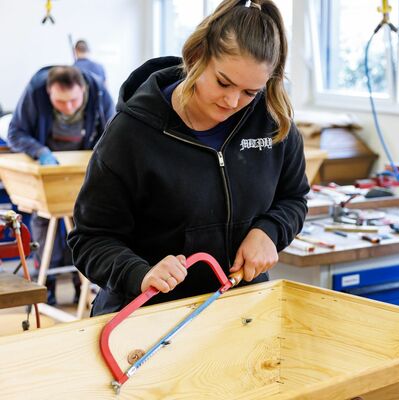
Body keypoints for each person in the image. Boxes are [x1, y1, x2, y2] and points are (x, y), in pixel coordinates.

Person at [67, 0, 308, 316]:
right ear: (197, 56)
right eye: (223, 82)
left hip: (236, 313)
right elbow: (90, 240)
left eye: (251, 92)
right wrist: (139, 274)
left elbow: (294, 198)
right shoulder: (131, 133)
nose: (233, 101)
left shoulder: (273, 122)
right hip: (147, 318)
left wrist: (269, 231)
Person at [7, 65, 113, 305]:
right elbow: (15, 133)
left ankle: (83, 285)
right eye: (60, 102)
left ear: (83, 90)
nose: (68, 107)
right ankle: (47, 288)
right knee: (44, 225)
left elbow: (114, 130)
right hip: (49, 172)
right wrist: (40, 151)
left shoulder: (97, 92)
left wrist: (99, 156)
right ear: (48, 92)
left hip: (84, 171)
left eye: (74, 101)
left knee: (87, 225)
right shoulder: (35, 91)